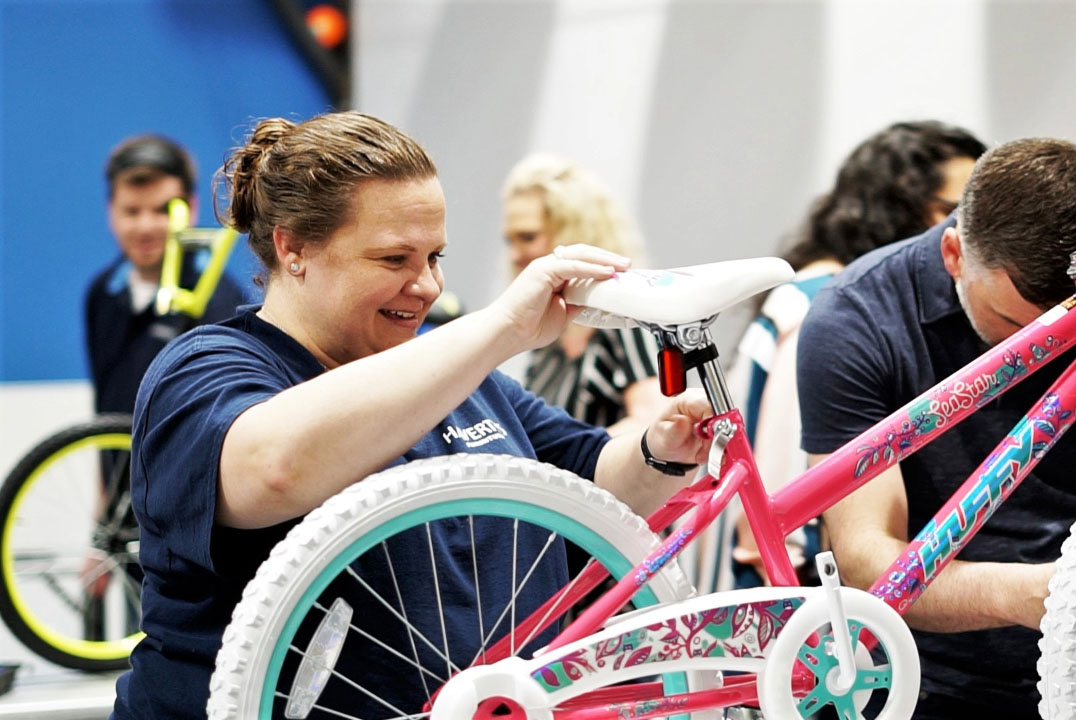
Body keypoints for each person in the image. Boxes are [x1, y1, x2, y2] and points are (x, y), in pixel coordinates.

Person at [111, 112, 711, 719]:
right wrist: (501, 328)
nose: (425, 285)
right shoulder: (205, 370)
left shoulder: (457, 375)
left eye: (434, 256)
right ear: (293, 247)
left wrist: (661, 445)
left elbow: (594, 482)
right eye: (395, 258)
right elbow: (270, 470)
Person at [797, 138, 1076, 719]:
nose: (1037, 348)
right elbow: (869, 559)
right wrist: (1036, 593)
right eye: (1011, 323)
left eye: (1066, 327)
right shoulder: (858, 318)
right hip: (917, 679)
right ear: (955, 253)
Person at [728, 121, 987, 588]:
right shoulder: (824, 306)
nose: (974, 232)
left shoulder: (822, 294)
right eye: (955, 211)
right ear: (895, 210)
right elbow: (782, 508)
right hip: (786, 602)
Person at [85, 135, 248, 416]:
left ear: (192, 208)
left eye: (162, 210)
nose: (145, 226)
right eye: (132, 211)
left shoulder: (223, 304)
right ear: (111, 212)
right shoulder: (101, 292)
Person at [502, 153, 666, 433]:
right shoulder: (549, 333)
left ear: (573, 233)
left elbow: (653, 420)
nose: (515, 255)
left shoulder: (626, 317)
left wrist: (567, 458)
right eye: (510, 240)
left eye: (528, 237)